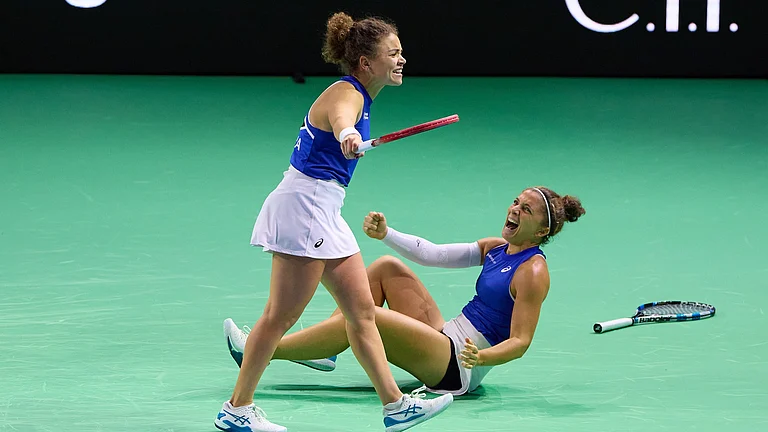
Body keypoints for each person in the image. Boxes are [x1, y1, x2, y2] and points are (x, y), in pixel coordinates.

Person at [213, 11, 455, 432]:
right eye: (392, 54)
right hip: (305, 209)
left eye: (402, 53)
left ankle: (395, 405)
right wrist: (346, 134)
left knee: (361, 314)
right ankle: (236, 409)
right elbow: (342, 118)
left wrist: (348, 137)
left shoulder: (361, 95)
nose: (401, 60)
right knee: (278, 318)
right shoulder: (349, 93)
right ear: (365, 62)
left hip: (324, 211)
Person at [224, 187, 586, 398]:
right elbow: (433, 254)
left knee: (366, 315)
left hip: (458, 366)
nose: (514, 210)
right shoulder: (497, 248)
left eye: (527, 210)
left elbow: (521, 341)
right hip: (445, 336)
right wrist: (388, 235)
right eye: (516, 202)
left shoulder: (533, 271)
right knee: (385, 268)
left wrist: (484, 359)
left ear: (541, 232)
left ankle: (262, 348)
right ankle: (324, 351)